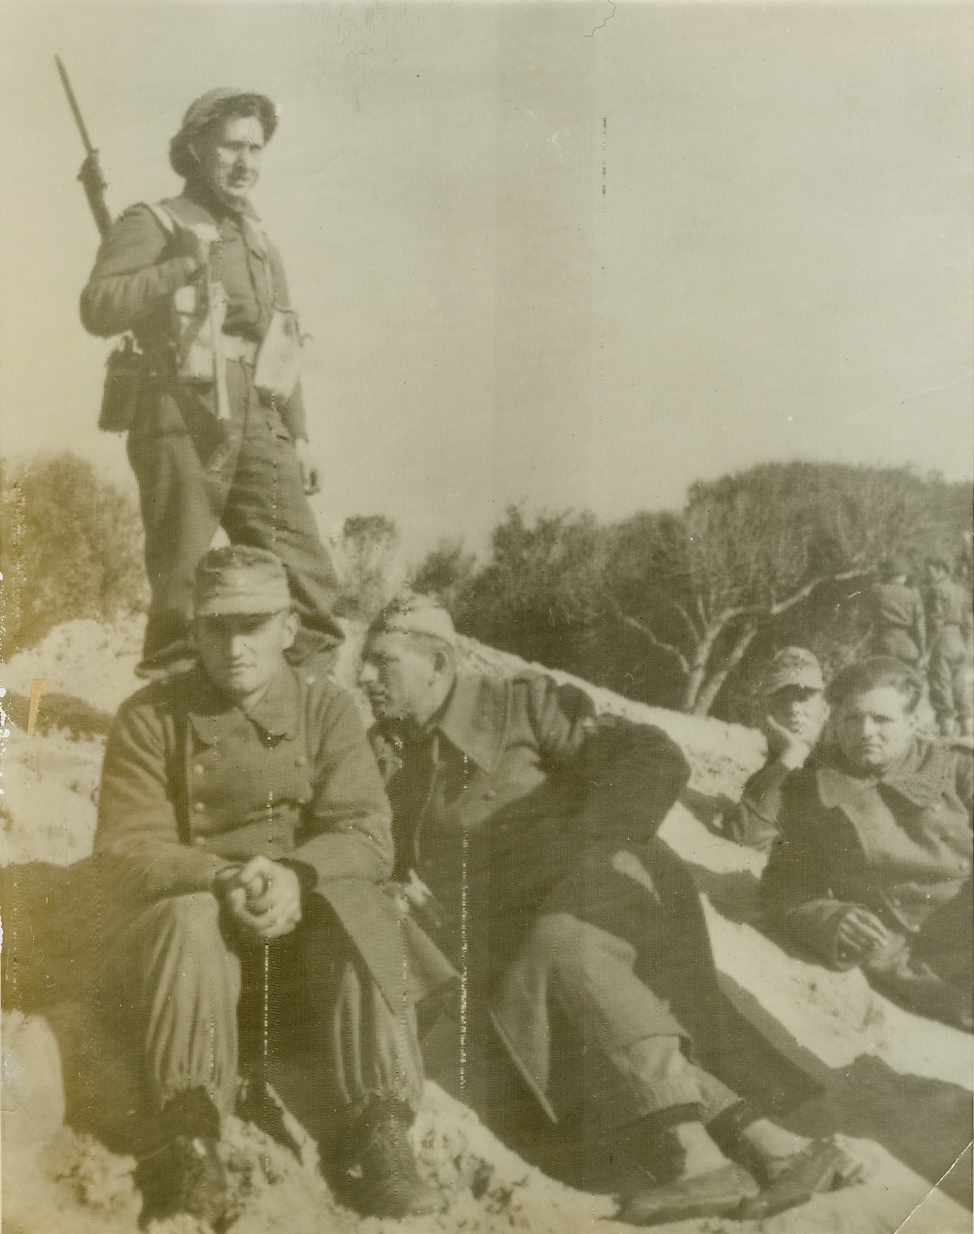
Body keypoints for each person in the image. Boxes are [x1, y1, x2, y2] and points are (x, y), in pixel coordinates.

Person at [358, 591, 862, 1226]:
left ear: (436, 663)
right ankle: (779, 1149)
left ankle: (698, 1166)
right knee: (545, 970)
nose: (365, 677)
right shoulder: (390, 757)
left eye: (383, 661)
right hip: (513, 932)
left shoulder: (523, 702)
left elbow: (652, 758)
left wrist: (575, 848)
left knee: (557, 947)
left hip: (618, 889)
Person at [93, 548, 441, 1224]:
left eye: (254, 625)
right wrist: (221, 877)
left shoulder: (329, 711)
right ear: (194, 632)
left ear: (287, 627)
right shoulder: (148, 717)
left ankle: (381, 1128)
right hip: (188, 961)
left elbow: (368, 835)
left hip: (301, 958)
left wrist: (296, 876)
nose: (236, 646)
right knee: (189, 914)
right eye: (217, 626)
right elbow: (126, 847)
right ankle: (188, 1135)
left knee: (361, 904)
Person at [80, 89, 343, 680]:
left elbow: (281, 339)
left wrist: (298, 436)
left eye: (255, 148)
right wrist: (178, 266)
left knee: (309, 578)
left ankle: (296, 721)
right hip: (179, 415)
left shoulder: (259, 243)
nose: (245, 162)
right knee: (182, 582)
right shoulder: (155, 222)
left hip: (258, 420)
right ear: (196, 149)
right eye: (231, 146)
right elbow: (97, 306)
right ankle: (173, 733)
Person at [761, 657, 973, 1032]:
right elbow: (783, 884)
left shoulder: (957, 769)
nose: (865, 732)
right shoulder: (814, 790)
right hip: (910, 953)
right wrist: (829, 919)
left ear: (913, 722)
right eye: (851, 719)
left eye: (882, 720)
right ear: (834, 719)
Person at [723, 648, 829, 853]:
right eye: (783, 699)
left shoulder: (840, 766)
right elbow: (746, 833)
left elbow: (748, 837)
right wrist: (790, 757)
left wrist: (792, 757)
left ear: (824, 709)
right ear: (767, 714)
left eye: (804, 697)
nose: (793, 709)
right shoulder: (778, 767)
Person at [923, 557, 974, 737]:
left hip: (942, 640)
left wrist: (927, 650)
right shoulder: (960, 591)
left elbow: (936, 621)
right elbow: (968, 622)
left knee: (940, 685)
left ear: (939, 569)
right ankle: (968, 731)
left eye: (929, 569)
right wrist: (966, 645)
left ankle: (946, 734)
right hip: (959, 640)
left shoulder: (936, 590)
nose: (927, 573)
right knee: (959, 686)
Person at [866, 556, 925, 667]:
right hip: (907, 648)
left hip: (882, 646)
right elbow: (919, 627)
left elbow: (865, 619)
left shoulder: (876, 591)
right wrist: (922, 653)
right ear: (902, 575)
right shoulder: (913, 594)